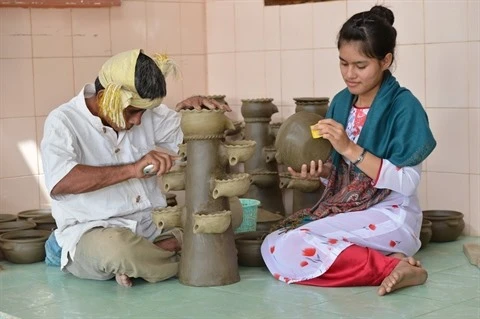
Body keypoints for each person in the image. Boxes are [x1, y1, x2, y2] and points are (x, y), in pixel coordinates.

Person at [261, 5, 436, 296]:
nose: (349, 74)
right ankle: (391, 263)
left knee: (297, 243)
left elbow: (406, 183)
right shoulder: (342, 103)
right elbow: (346, 178)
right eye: (343, 63)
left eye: (360, 65)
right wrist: (322, 172)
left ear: (385, 61)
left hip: (391, 216)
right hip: (352, 213)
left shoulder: (405, 107)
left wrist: (350, 148)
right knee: (275, 242)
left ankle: (391, 267)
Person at [41, 49, 230, 287]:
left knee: (229, 210)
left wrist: (195, 113)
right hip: (96, 231)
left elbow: (196, 138)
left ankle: (150, 258)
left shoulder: (150, 115)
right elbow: (61, 182)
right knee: (117, 251)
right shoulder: (64, 121)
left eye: (143, 112)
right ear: (104, 97)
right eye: (132, 112)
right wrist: (132, 169)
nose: (138, 121)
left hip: (153, 227)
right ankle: (177, 253)